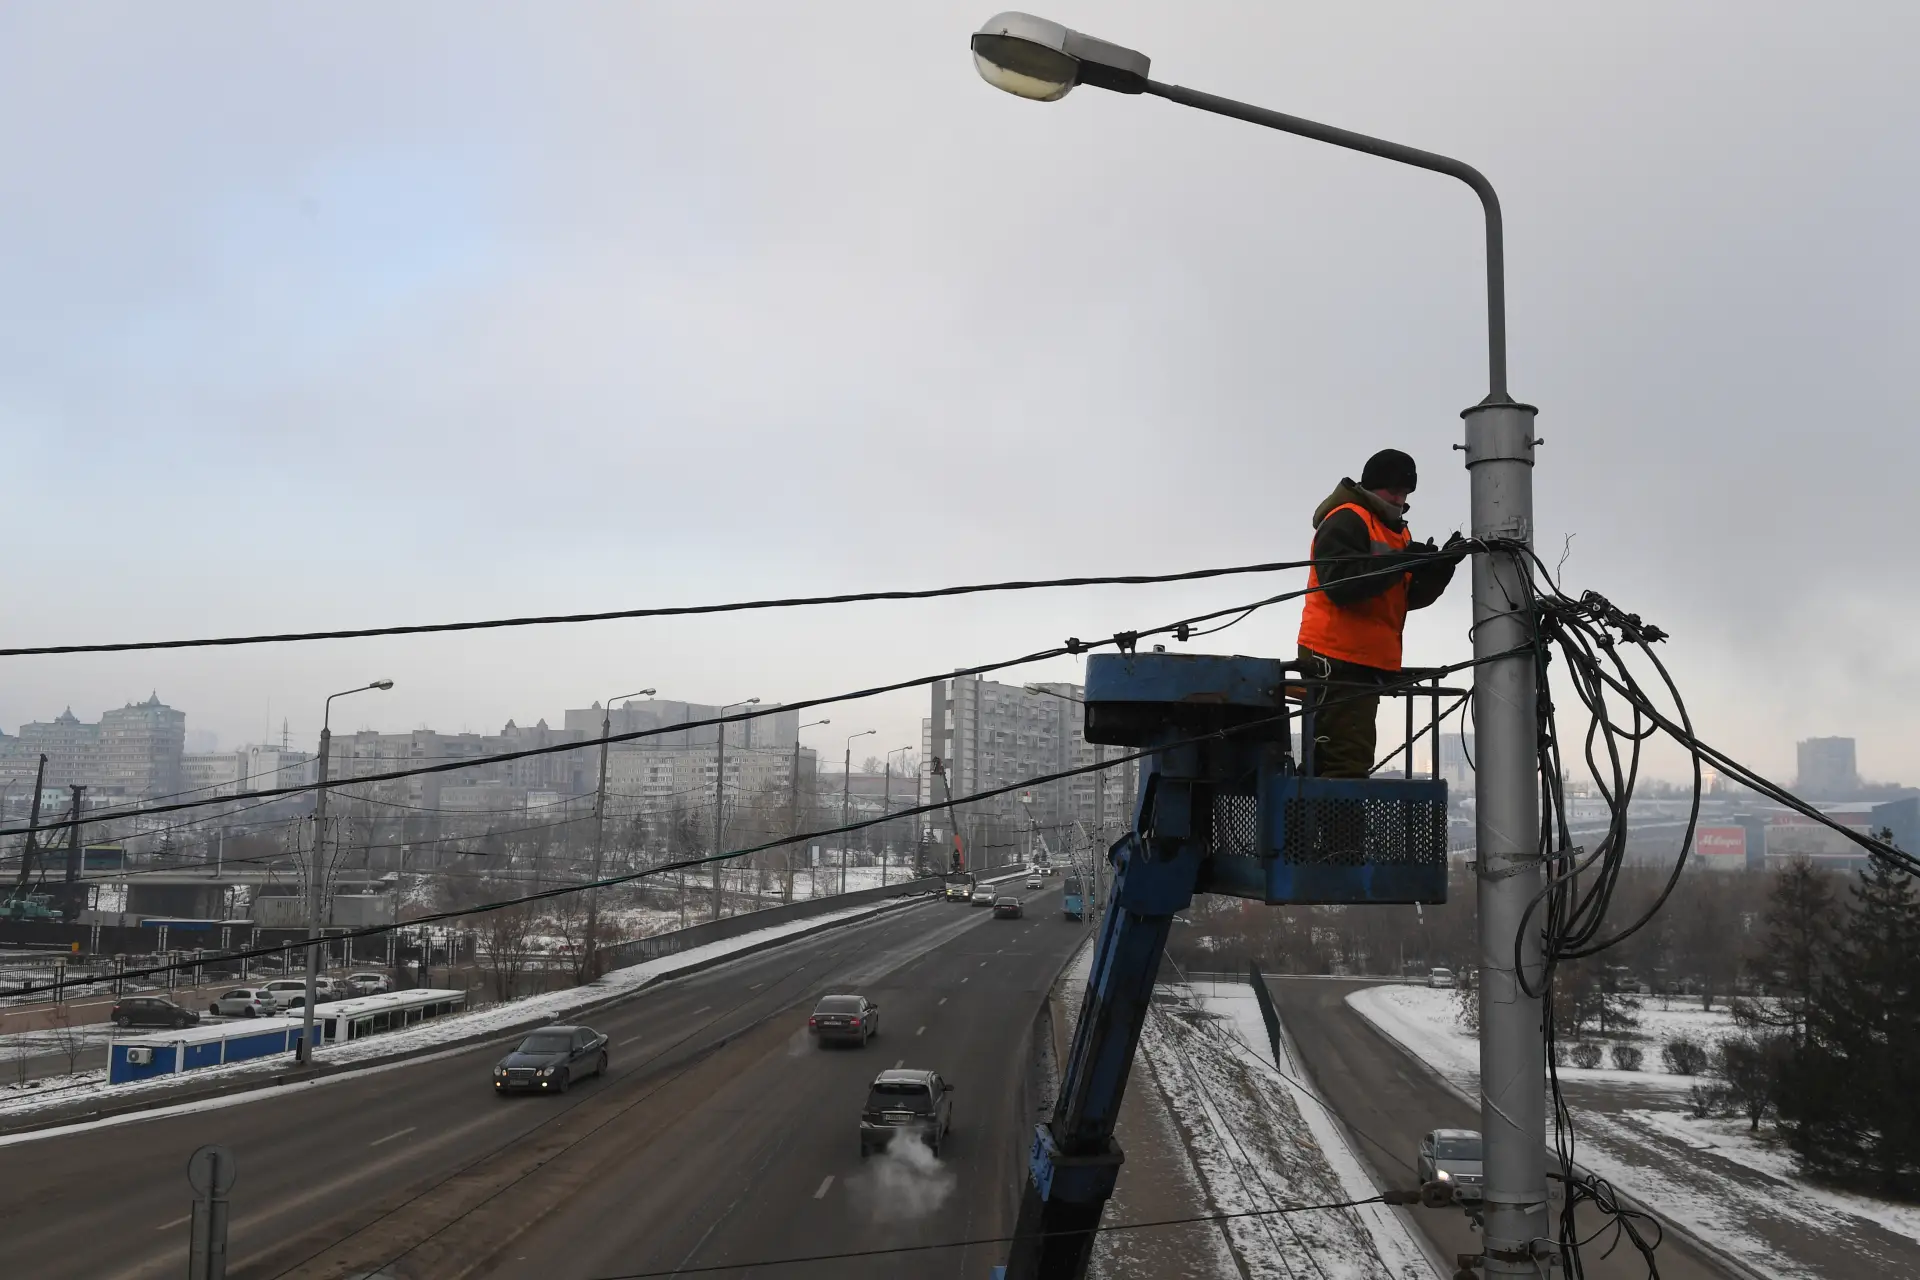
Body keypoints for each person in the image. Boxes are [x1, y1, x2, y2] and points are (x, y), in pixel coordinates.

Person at [1297, 448, 1464, 777]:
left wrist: (1440, 569)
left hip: (1360, 662)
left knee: (1334, 760)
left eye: (1406, 493)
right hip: (1336, 660)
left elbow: (1401, 599)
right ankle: (1333, 829)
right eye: (1395, 491)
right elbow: (1340, 584)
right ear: (1373, 486)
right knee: (1343, 764)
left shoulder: (1396, 531)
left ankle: (1302, 826)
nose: (1401, 499)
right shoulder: (1347, 519)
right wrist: (1403, 560)